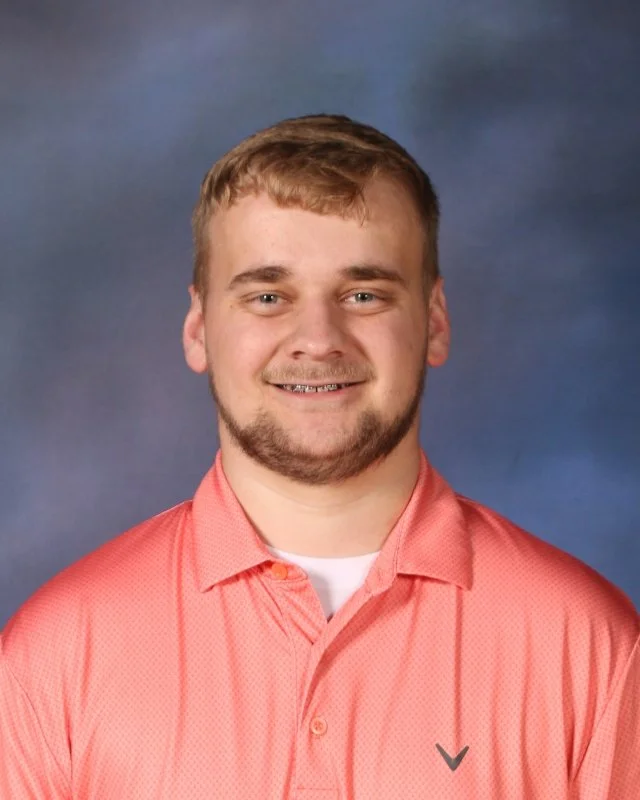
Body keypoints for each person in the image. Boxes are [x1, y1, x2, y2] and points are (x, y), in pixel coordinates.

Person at [1, 113, 638, 799]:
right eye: (268, 297)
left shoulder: (587, 643)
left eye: (363, 295)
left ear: (436, 321)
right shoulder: (58, 650)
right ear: (197, 329)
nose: (317, 338)